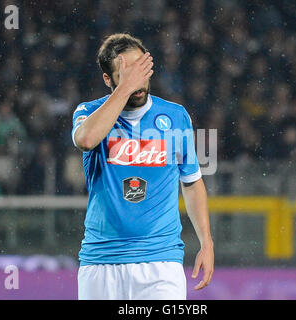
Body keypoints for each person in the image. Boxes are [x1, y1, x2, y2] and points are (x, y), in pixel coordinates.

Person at [72, 33, 214, 300]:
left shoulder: (175, 116)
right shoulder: (88, 112)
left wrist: (206, 242)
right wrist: (126, 87)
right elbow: (86, 140)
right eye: (126, 73)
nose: (137, 80)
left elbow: (192, 181)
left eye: (141, 69)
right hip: (102, 260)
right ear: (108, 80)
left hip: (161, 262)